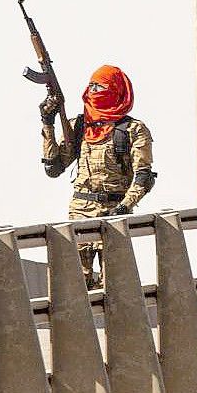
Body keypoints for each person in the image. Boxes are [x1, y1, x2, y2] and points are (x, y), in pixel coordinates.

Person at [40, 65, 156, 289]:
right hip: (79, 215)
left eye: (100, 87)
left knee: (113, 288)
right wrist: (48, 122)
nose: (94, 91)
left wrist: (124, 207)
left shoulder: (133, 130)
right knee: (74, 287)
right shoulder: (81, 126)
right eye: (91, 86)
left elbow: (144, 177)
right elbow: (53, 168)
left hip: (113, 213)